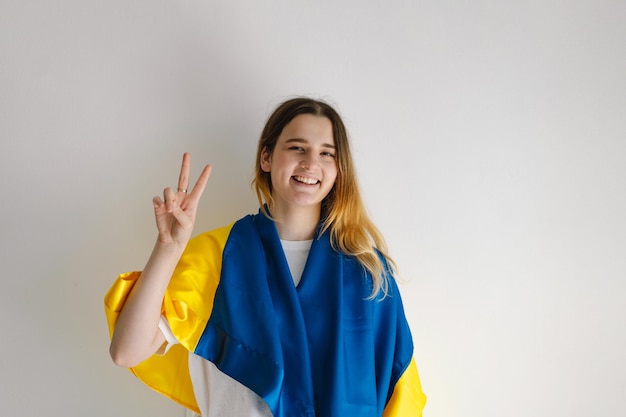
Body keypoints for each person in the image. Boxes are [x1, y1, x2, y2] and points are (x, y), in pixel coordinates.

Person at [105, 97, 426, 416]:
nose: (311, 163)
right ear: (267, 157)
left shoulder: (368, 272)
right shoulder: (216, 256)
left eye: (327, 153)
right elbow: (126, 351)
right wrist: (168, 248)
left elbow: (400, 393)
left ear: (339, 170)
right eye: (297, 147)